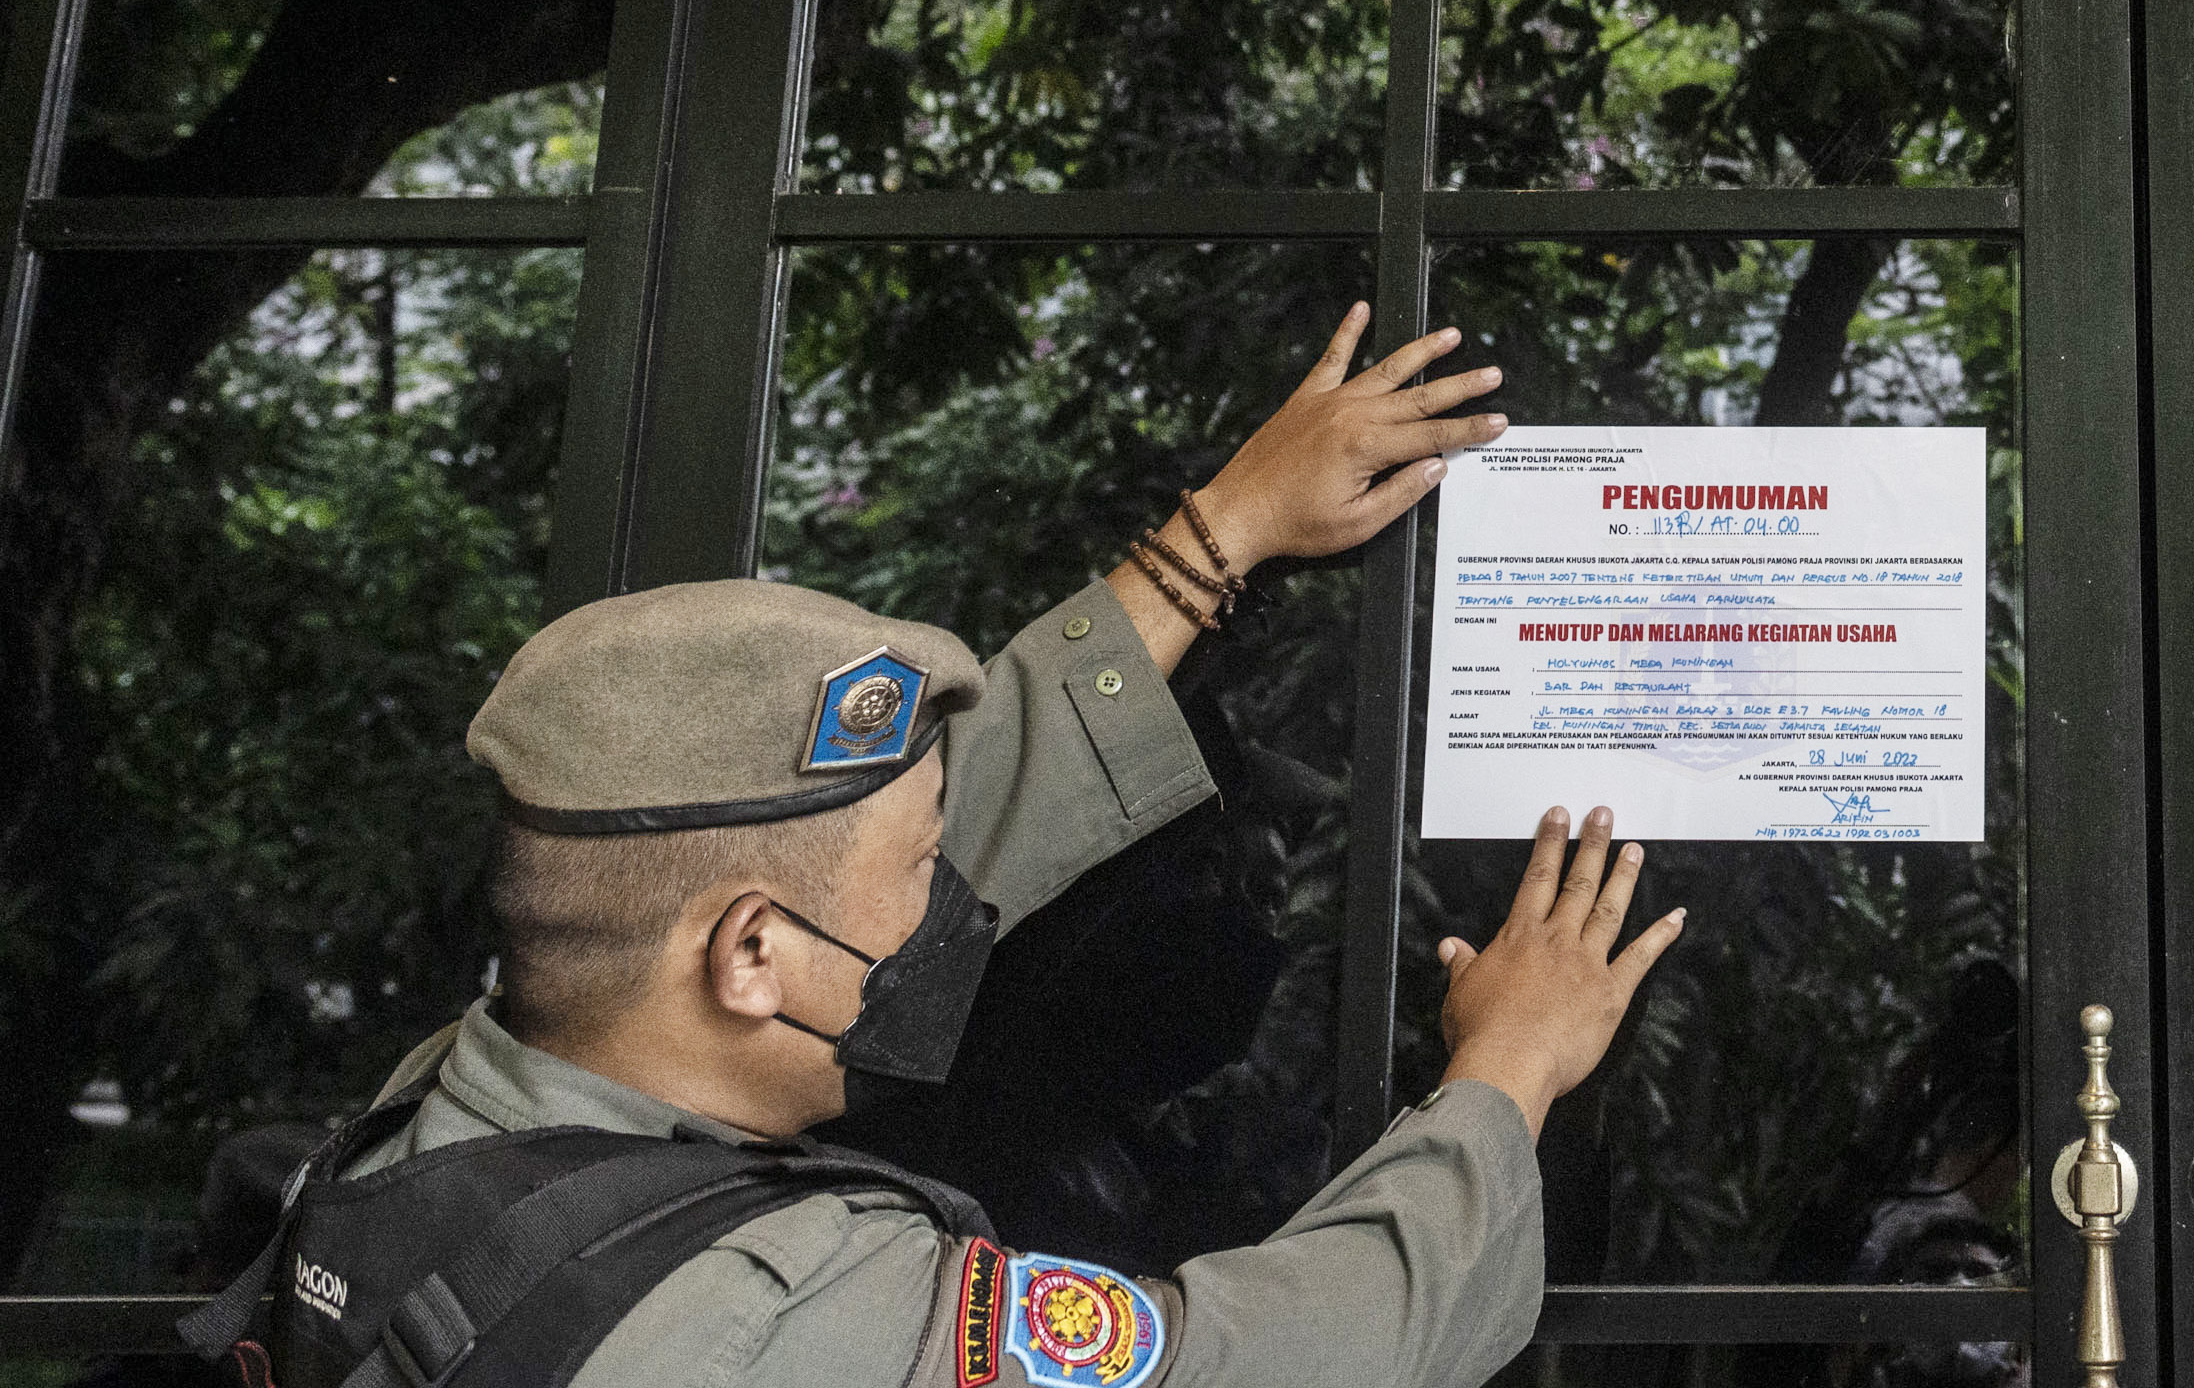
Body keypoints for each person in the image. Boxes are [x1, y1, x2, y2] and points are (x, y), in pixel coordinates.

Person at [186, 307, 1684, 1388]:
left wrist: (1215, 537)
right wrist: (1510, 1069)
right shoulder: (776, 1323)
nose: (951, 896)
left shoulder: (462, 1105)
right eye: (919, 876)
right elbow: (1298, 1353)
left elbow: (881, 817)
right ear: (751, 951)